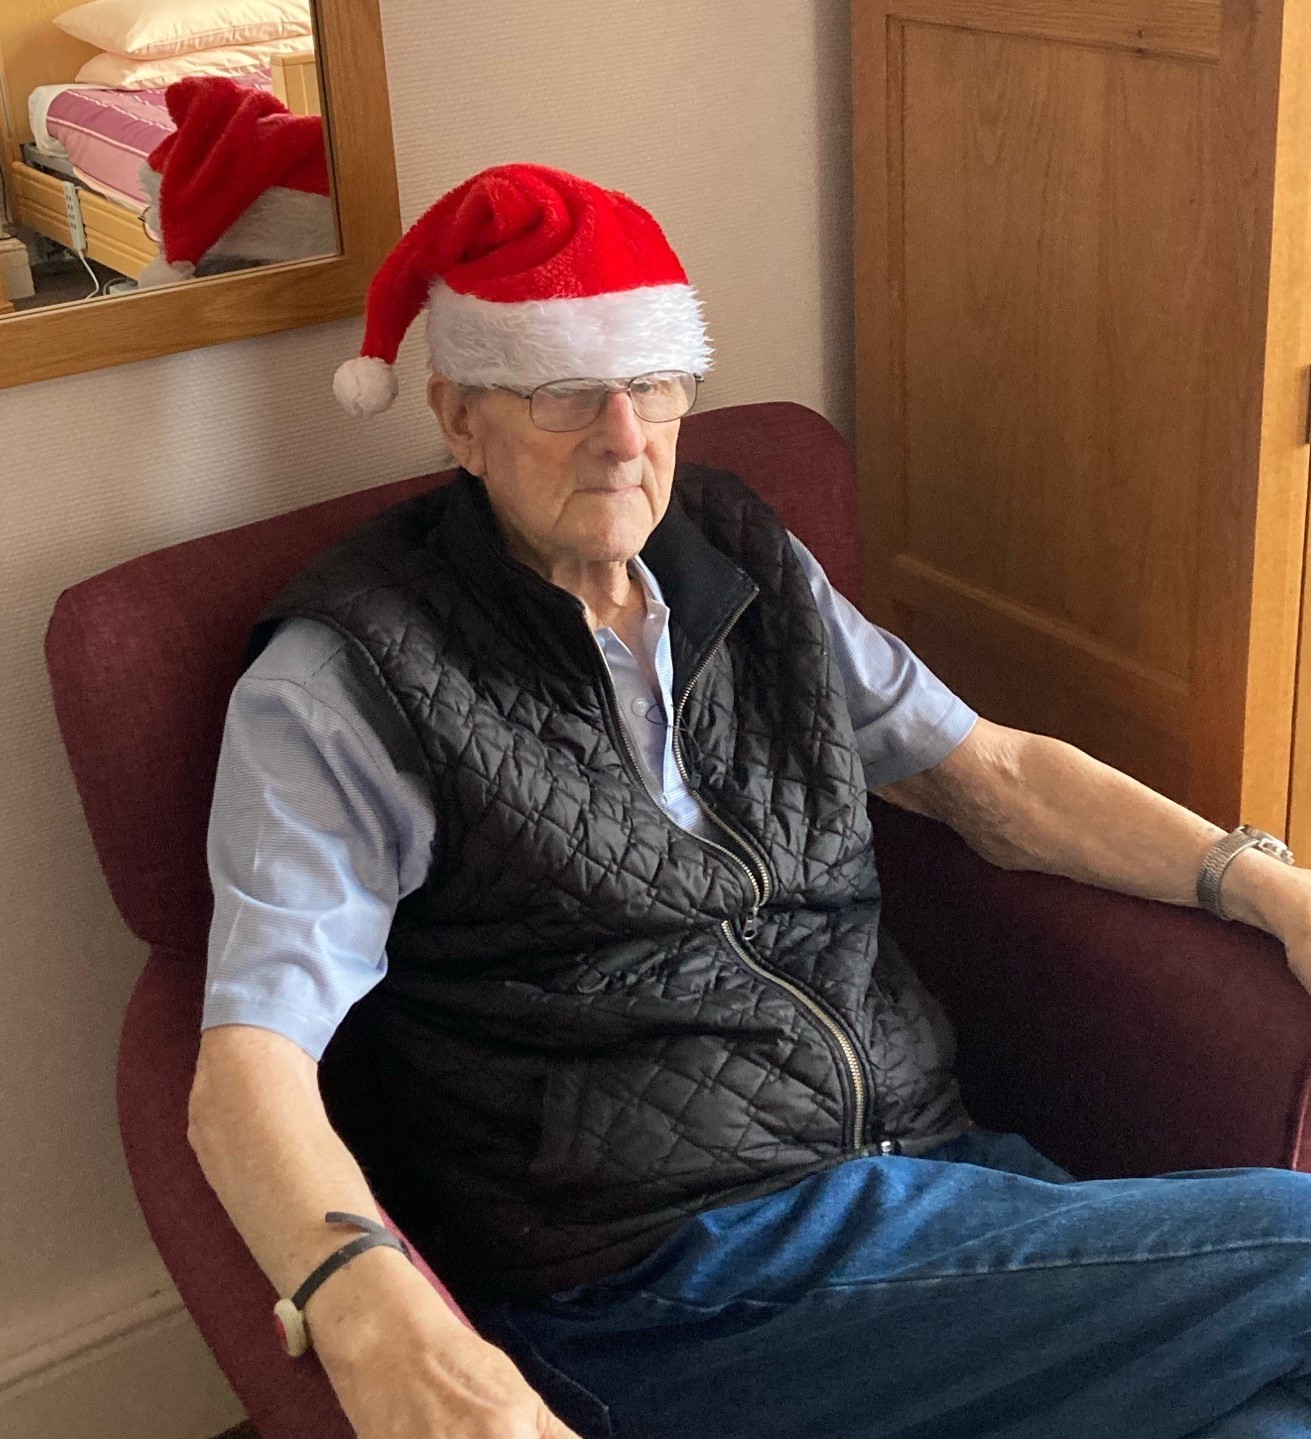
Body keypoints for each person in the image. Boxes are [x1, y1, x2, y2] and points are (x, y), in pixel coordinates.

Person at [190, 163, 1311, 1439]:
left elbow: (992, 776)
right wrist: (378, 1316)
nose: (624, 436)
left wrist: (1269, 883)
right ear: (459, 418)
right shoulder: (350, 672)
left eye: (654, 385)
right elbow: (246, 1067)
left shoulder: (737, 556)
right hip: (671, 1278)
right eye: (566, 391)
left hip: (933, 1187)